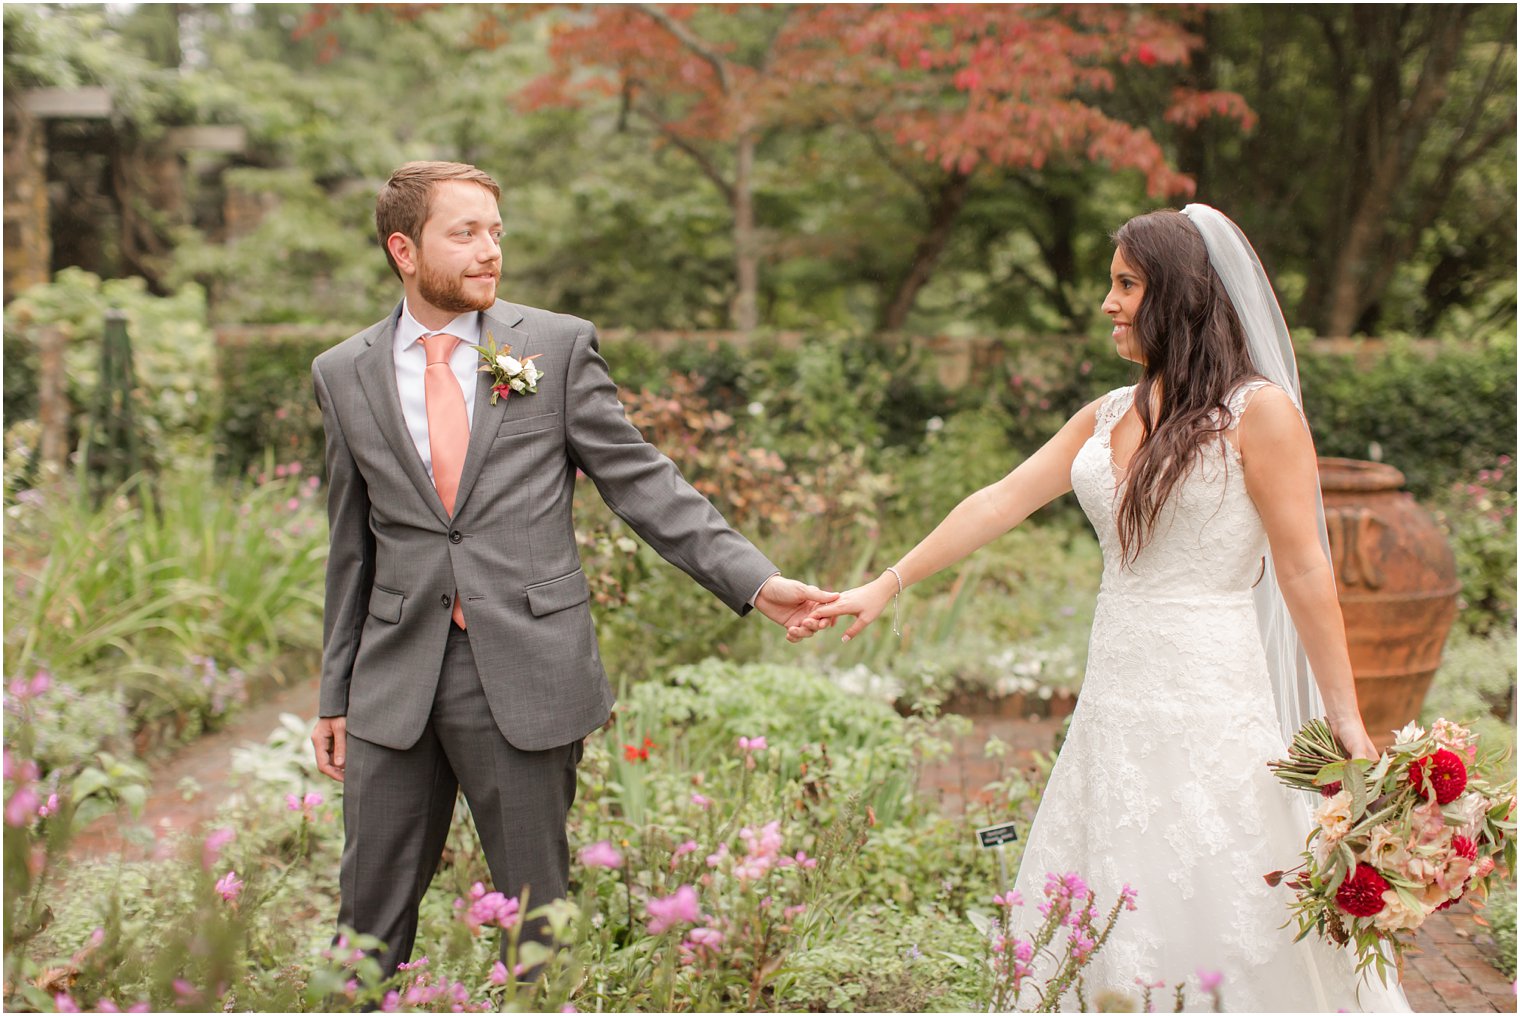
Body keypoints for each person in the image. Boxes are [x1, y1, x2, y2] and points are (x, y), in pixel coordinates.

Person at [810, 206, 1411, 1011]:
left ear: (1180, 295)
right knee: (1109, 873)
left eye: (1126, 284)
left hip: (1211, 691)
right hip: (1115, 696)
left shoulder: (1260, 413)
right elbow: (998, 500)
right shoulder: (1107, 413)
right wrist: (886, 582)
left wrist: (1346, 717)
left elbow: (1304, 571)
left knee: (1220, 869)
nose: (1108, 302)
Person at [308, 161, 833, 978]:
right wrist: (333, 692)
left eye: (496, 231)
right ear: (404, 249)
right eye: (466, 233)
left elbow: (642, 481)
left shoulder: (553, 345)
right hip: (390, 679)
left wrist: (756, 582)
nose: (490, 251)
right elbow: (352, 543)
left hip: (525, 673)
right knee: (365, 926)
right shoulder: (344, 373)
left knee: (534, 926)